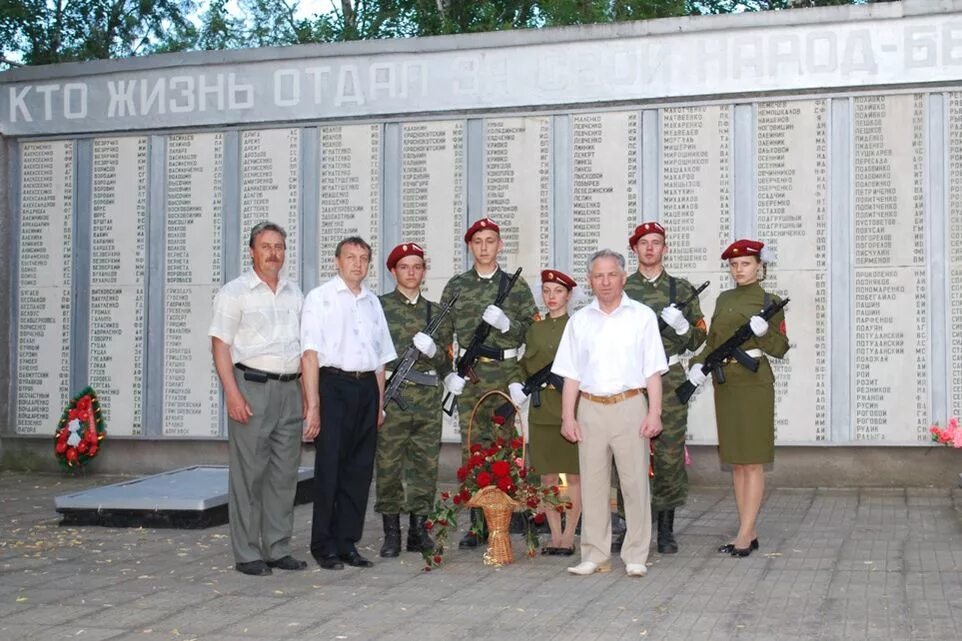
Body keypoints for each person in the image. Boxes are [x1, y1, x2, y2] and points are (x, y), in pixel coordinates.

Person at [552, 249, 668, 577]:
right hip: (590, 408)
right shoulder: (579, 321)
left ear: (623, 277)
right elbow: (570, 374)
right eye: (598, 276)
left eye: (611, 274)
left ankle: (635, 555)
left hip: (631, 406)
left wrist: (654, 413)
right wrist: (568, 416)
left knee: (634, 484)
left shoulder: (642, 316)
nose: (605, 282)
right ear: (589, 281)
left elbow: (653, 371)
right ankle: (594, 553)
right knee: (593, 484)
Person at [209, 221, 309, 577]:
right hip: (251, 388)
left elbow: (305, 350)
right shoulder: (235, 293)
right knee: (249, 474)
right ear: (252, 251)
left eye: (279, 246)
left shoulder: (294, 294)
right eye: (266, 246)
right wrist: (232, 393)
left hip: (289, 389)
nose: (273, 253)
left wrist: (308, 399)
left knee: (284, 475)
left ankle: (277, 547)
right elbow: (220, 345)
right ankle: (247, 551)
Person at [685, 238, 789, 557]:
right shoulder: (725, 299)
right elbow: (714, 341)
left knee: (753, 461)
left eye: (745, 263)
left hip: (755, 384)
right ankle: (749, 527)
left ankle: (744, 534)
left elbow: (780, 348)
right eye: (734, 265)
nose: (738, 270)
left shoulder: (768, 300)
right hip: (726, 384)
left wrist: (764, 333)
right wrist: (695, 365)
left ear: (760, 266)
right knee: (737, 463)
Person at [440, 217, 538, 549]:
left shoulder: (515, 285)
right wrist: (448, 373)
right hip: (471, 375)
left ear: (499, 245)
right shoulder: (456, 286)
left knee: (505, 445)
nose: (484, 247)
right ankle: (477, 524)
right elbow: (442, 334)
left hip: (504, 370)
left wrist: (508, 325)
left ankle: (506, 518)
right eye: (478, 241)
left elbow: (532, 330)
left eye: (490, 240)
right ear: (470, 246)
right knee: (473, 448)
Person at [301, 236, 396, 570]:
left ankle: (347, 543)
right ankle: (323, 545)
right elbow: (310, 355)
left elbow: (382, 359)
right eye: (351, 257)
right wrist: (313, 406)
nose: (358, 263)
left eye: (364, 258)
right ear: (336, 261)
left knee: (359, 471)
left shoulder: (372, 303)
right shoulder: (320, 298)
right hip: (334, 387)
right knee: (330, 470)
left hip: (367, 388)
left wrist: (380, 404)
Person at [620, 221, 707, 554]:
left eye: (656, 242)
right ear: (635, 249)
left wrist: (682, 326)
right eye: (644, 243)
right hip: (630, 377)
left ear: (665, 248)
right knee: (627, 453)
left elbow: (699, 338)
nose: (650, 248)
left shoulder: (680, 290)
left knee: (669, 452)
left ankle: (666, 529)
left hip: (667, 375)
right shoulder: (624, 289)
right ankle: (630, 526)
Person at [376, 242, 453, 557]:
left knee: (425, 465)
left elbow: (448, 362)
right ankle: (391, 533)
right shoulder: (378, 307)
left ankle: (418, 531)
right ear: (393, 271)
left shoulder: (437, 312)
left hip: (427, 400)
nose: (411, 272)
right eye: (404, 267)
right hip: (392, 399)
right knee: (388, 464)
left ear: (424, 271)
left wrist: (436, 354)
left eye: (417, 266)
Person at [509, 269, 582, 556]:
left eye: (558, 291)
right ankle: (554, 535)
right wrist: (516, 380)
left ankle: (569, 533)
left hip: (569, 408)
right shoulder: (535, 329)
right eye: (547, 291)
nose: (552, 297)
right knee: (548, 477)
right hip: (540, 410)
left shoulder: (578, 326)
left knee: (575, 476)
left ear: (569, 295)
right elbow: (524, 363)